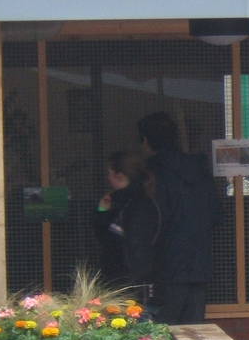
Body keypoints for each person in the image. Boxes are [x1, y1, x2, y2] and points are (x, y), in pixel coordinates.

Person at [137, 110, 219, 324]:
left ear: (146, 141)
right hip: (199, 261)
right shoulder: (199, 170)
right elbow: (216, 213)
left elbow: (152, 219)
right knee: (195, 330)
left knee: (165, 330)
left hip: (166, 264)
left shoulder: (154, 174)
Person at [90, 149, 158, 294]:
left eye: (109, 173)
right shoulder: (147, 198)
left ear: (119, 175)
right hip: (142, 274)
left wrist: (102, 212)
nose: (108, 178)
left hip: (124, 275)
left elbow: (109, 238)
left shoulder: (121, 202)